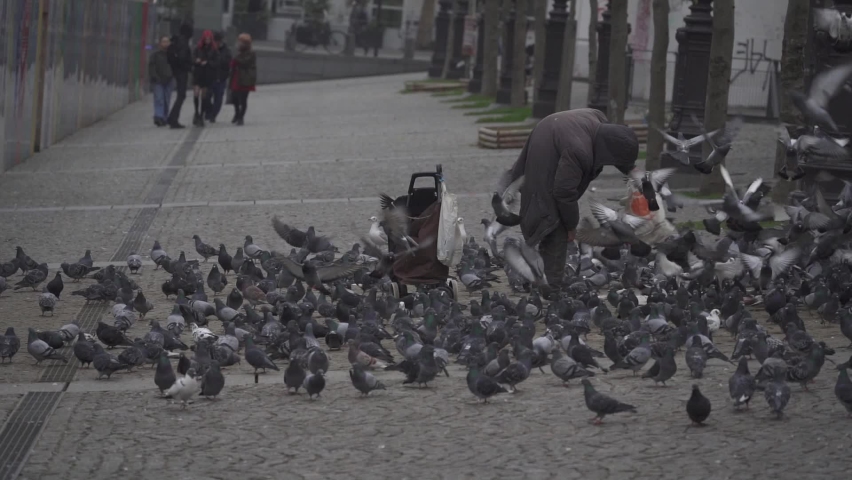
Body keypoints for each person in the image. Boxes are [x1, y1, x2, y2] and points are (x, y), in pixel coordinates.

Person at [508, 108, 638, 294]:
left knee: (551, 220)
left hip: (549, 129)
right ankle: (550, 288)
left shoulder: (599, 119)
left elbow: (614, 148)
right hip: (544, 163)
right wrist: (571, 226)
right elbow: (563, 192)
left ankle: (541, 277)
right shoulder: (580, 151)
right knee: (554, 225)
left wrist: (632, 170)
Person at [166, 23, 194, 129]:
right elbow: (182, 58)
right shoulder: (183, 42)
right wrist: (189, 65)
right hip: (181, 71)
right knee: (181, 95)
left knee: (181, 95)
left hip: (177, 70)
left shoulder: (177, 40)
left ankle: (172, 118)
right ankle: (173, 118)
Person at [192, 30, 219, 127]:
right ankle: (196, 112)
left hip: (207, 74)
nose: (207, 41)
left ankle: (201, 114)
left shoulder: (214, 49)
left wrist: (207, 62)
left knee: (204, 95)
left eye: (209, 39)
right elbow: (193, 58)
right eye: (206, 39)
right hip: (198, 73)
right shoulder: (198, 48)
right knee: (196, 93)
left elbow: (216, 62)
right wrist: (196, 61)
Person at [230, 33, 257, 126]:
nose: (239, 43)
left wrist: (236, 59)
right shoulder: (239, 52)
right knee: (234, 97)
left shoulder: (251, 53)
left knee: (243, 99)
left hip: (246, 78)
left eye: (241, 42)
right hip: (237, 77)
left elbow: (244, 62)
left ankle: (241, 117)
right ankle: (237, 112)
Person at [206, 31, 232, 123]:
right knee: (207, 96)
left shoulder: (226, 51)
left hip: (221, 78)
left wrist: (218, 58)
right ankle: (208, 112)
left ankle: (213, 115)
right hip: (210, 77)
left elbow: (227, 62)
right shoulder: (210, 49)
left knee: (218, 98)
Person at [149, 36, 173, 127]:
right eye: (163, 41)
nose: (165, 44)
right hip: (158, 81)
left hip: (169, 80)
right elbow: (152, 67)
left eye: (167, 41)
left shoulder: (172, 54)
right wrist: (155, 77)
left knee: (166, 99)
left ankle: (164, 117)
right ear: (160, 43)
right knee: (159, 99)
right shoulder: (155, 55)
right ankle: (158, 116)